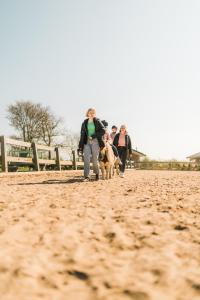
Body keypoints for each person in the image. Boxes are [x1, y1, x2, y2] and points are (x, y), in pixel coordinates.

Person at [78, 108, 105, 181]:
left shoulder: (97, 121)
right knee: (86, 159)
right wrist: (80, 146)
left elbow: (103, 130)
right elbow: (82, 135)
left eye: (93, 113)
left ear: (94, 114)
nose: (92, 114)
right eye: (90, 113)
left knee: (94, 159)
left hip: (95, 141)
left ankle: (97, 174)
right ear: (88, 114)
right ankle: (86, 176)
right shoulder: (84, 123)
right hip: (86, 142)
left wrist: (93, 136)